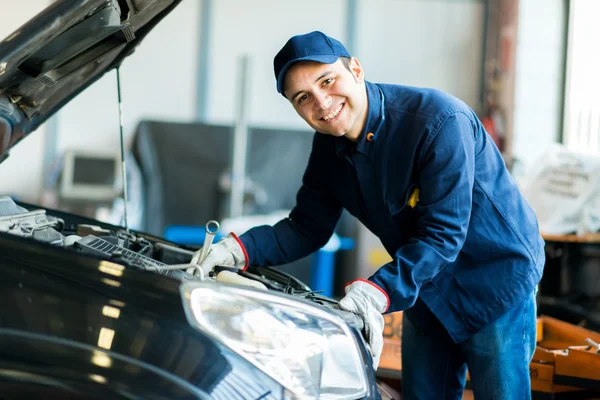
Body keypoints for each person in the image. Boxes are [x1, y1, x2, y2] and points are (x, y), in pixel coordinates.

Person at [194, 31, 544, 399]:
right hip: (425, 288)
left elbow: (443, 235)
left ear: (356, 69)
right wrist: (235, 250)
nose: (323, 102)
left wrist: (376, 293)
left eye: (327, 81)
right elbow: (306, 228)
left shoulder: (438, 122)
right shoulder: (328, 148)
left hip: (494, 281)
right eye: (303, 98)